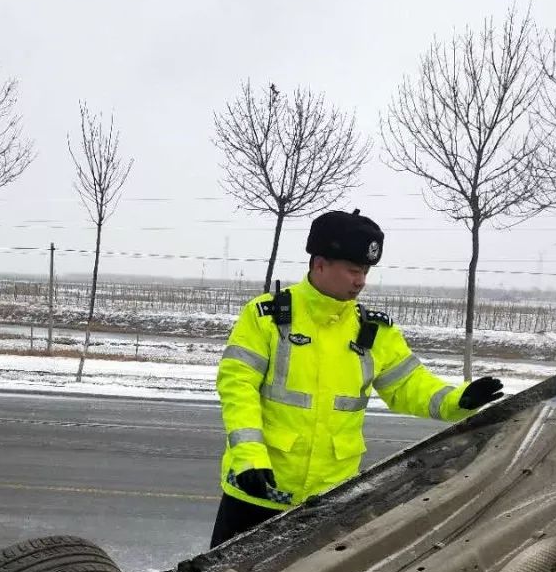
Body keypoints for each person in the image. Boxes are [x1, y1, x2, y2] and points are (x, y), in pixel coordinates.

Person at [211, 209, 503, 548]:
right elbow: (237, 387)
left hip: (328, 502)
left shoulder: (372, 330)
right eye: (353, 270)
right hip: (257, 490)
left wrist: (459, 400)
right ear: (319, 264)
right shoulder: (268, 317)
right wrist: (249, 457)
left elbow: (409, 386)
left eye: (365, 271)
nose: (361, 281)